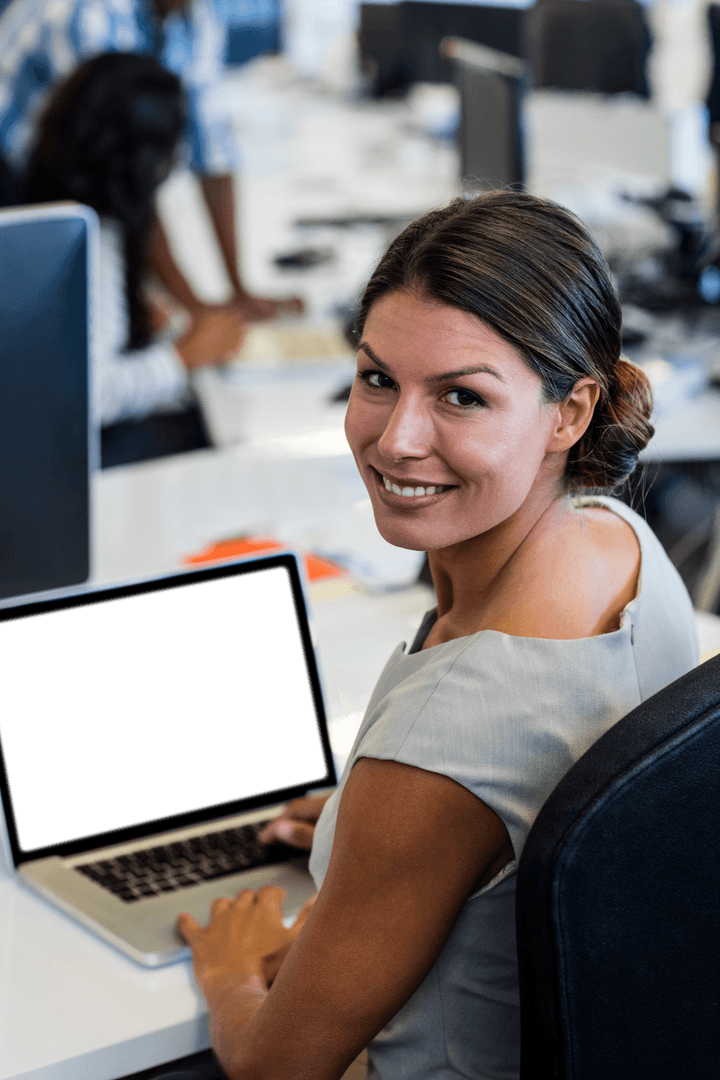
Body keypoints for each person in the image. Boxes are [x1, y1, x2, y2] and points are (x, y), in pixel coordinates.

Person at [166, 192, 698, 1080]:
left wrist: (228, 971)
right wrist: (364, 832)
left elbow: (273, 1068)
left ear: (570, 413)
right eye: (377, 378)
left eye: (461, 396)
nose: (395, 439)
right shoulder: (618, 539)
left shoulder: (440, 745)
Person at [0, 0, 297, 322]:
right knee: (52, 322)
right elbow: (121, 173)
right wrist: (196, 310)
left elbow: (212, 150)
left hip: (61, 174)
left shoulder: (195, 14)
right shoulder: (89, 13)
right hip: (11, 177)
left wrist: (238, 292)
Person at [22, 52, 246, 465]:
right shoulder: (93, 243)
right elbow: (92, 396)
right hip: (81, 459)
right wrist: (183, 357)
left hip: (46, 447)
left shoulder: (51, 209)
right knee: (229, 435)